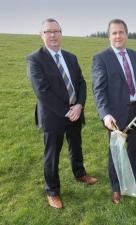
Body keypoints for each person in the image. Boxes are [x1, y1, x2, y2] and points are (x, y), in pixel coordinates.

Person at [27, 18, 97, 209]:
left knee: (76, 145)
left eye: (56, 31)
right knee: (52, 154)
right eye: (48, 31)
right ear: (41, 35)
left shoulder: (71, 57)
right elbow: (43, 92)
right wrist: (68, 111)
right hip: (53, 116)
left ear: (61, 33)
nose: (53, 35)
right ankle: (52, 191)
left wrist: (80, 105)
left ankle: (80, 173)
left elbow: (81, 83)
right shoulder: (35, 59)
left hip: (75, 111)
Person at [92, 19, 136, 204]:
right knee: (116, 153)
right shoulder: (101, 58)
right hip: (115, 116)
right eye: (114, 33)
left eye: (121, 32)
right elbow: (99, 90)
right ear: (109, 36)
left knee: (135, 149)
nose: (118, 36)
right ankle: (116, 188)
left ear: (126, 34)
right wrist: (105, 114)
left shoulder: (135, 55)